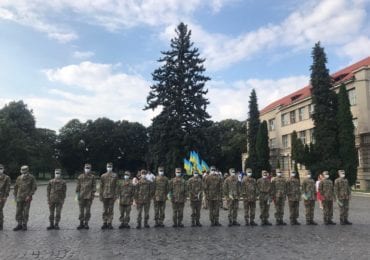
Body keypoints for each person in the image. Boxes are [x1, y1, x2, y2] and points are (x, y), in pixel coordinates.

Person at [13, 165, 37, 231]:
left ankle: (24, 224)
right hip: (19, 197)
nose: (22, 171)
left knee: (25, 212)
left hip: (27, 197)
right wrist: (15, 196)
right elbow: (15, 187)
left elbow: (34, 187)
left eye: (24, 170)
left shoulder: (31, 178)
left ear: (27, 170)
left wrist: (29, 195)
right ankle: (19, 224)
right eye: (22, 170)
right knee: (18, 211)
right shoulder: (19, 178)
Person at [76, 163, 96, 230]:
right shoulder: (80, 177)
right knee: (81, 211)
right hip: (81, 196)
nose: (87, 169)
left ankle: (86, 223)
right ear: (84, 168)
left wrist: (92, 195)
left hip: (89, 197)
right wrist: (77, 196)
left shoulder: (92, 177)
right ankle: (81, 223)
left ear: (90, 169)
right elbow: (78, 187)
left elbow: (94, 187)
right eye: (86, 168)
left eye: (88, 168)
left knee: (87, 211)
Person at [100, 162, 118, 230]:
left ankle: (110, 223)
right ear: (106, 167)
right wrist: (100, 196)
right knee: (104, 210)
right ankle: (104, 222)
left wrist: (116, 195)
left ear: (112, 167)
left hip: (112, 195)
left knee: (111, 210)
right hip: (105, 195)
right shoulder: (103, 176)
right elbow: (101, 187)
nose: (109, 167)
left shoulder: (115, 175)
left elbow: (116, 186)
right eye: (108, 166)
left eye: (110, 166)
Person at [0, 164, 11, 230]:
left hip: (2, 196)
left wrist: (5, 196)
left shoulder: (7, 178)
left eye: (1, 168)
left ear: (3, 169)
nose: (0, 170)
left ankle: (0, 224)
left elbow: (7, 188)